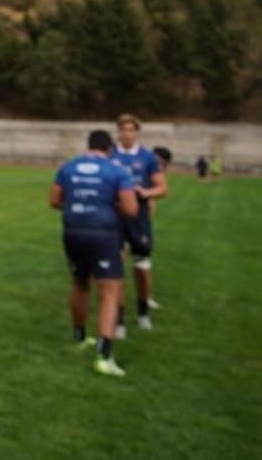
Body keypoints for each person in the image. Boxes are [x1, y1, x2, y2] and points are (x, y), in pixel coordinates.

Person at [49, 129, 138, 377]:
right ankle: (104, 355)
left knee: (80, 283)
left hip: (73, 231)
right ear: (109, 149)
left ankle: (79, 337)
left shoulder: (68, 167)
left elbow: (54, 200)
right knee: (110, 291)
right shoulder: (116, 170)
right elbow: (131, 209)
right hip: (104, 234)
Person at [110, 114, 167, 334]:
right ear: (118, 132)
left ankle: (143, 313)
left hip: (138, 218)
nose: (127, 134)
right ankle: (119, 321)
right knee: (116, 269)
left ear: (137, 133)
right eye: (123, 129)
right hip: (114, 217)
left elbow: (162, 188)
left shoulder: (148, 157)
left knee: (142, 268)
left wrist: (146, 192)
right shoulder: (109, 154)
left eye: (131, 130)